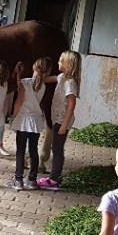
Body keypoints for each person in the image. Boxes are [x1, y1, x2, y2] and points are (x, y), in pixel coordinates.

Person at [38, 50, 81, 190]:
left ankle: (54, 179)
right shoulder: (62, 77)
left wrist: (64, 125)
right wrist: (38, 76)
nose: (58, 62)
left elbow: (72, 104)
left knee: (57, 149)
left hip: (62, 121)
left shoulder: (70, 83)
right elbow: (49, 79)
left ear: (69, 65)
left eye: (61, 61)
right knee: (55, 147)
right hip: (57, 119)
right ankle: (54, 177)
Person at [7, 58, 52, 190]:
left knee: (20, 151)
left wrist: (13, 116)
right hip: (36, 121)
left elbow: (19, 101)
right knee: (33, 150)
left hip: (23, 120)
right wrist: (18, 75)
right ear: (47, 72)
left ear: (34, 67)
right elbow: (27, 90)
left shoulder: (25, 83)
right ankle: (32, 180)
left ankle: (18, 180)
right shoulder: (43, 85)